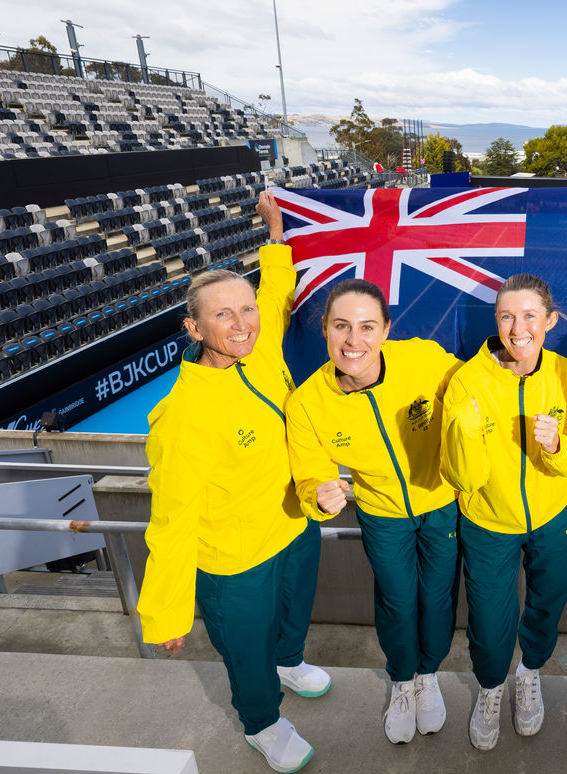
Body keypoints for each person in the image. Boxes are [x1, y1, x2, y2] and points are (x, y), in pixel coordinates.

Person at [138, 190, 326, 774]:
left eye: (245, 311)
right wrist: (168, 612)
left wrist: (276, 235)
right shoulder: (183, 415)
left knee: (294, 617)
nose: (242, 323)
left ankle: (290, 660)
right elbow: (170, 521)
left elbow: (274, 295)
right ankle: (263, 722)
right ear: (194, 327)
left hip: (292, 525)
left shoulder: (261, 343)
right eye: (223, 314)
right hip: (234, 560)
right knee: (246, 653)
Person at [285, 279, 461, 746]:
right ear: (324, 329)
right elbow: (309, 475)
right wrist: (316, 494)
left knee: (438, 598)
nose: (353, 340)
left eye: (366, 327)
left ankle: (429, 675)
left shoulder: (423, 358)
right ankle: (403, 681)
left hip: (442, 503)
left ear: (386, 329)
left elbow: (473, 390)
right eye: (341, 326)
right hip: (382, 514)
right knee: (398, 600)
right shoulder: (306, 403)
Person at [441, 274, 567, 751]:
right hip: (488, 522)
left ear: (550, 321)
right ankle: (490, 687)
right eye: (506, 316)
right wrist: (464, 435)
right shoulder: (468, 380)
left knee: (549, 598)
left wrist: (557, 446)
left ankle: (530, 672)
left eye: (529, 316)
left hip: (554, 515)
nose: (517, 328)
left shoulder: (566, 375)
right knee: (488, 615)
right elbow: (463, 478)